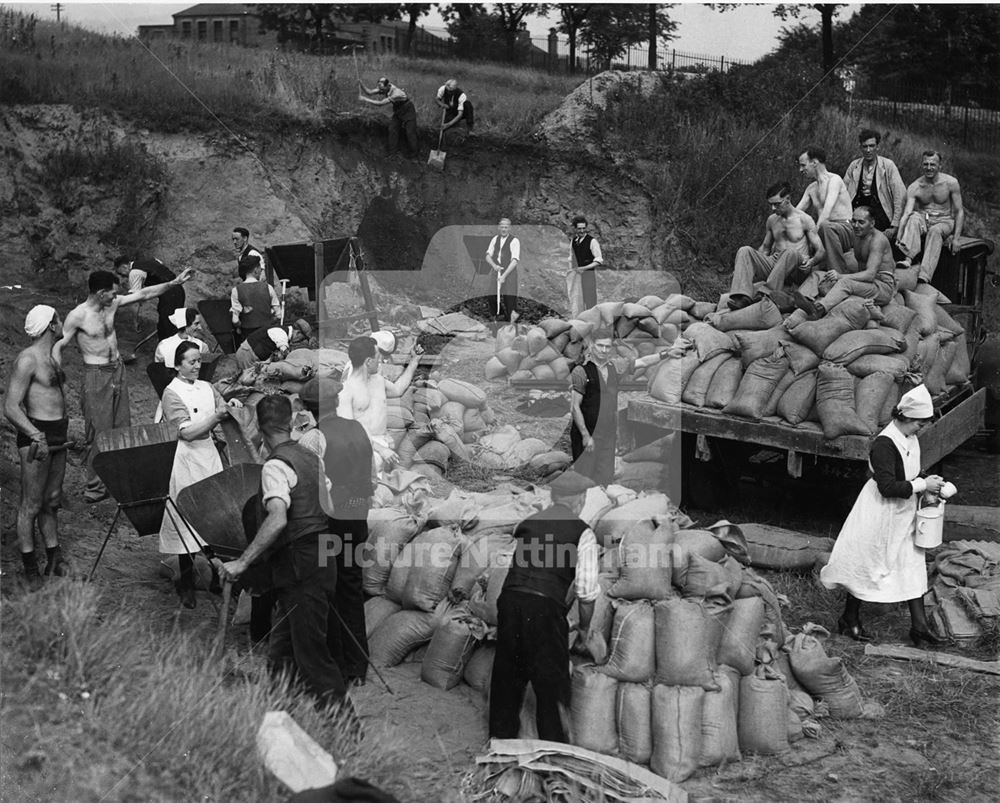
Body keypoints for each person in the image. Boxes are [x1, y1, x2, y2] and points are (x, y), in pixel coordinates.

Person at [219, 395, 353, 716]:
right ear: (291, 421)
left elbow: (277, 518)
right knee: (281, 647)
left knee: (312, 657)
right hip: (323, 558)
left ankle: (347, 732)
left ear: (260, 427)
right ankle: (278, 714)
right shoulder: (310, 457)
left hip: (302, 565)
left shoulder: (275, 466)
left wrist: (242, 562)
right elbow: (330, 508)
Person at [820, 385, 947, 646]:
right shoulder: (884, 444)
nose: (919, 429)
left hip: (904, 511)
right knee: (869, 564)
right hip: (881, 511)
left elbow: (910, 474)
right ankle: (849, 618)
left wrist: (927, 483)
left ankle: (919, 627)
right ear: (905, 418)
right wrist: (922, 486)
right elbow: (887, 487)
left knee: (912, 566)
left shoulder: (909, 438)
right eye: (918, 424)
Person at [54, 267, 193, 503]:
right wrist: (55, 370)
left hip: (117, 370)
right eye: (111, 293)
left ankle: (120, 481)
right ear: (100, 293)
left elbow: (144, 294)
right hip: (96, 375)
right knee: (98, 432)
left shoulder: (112, 304)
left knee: (122, 427)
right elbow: (60, 344)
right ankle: (95, 487)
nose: (115, 296)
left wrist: (174, 282)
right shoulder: (79, 315)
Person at [489, 469, 600, 743]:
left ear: (553, 497)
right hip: (543, 608)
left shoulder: (531, 523)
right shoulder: (582, 533)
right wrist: (584, 629)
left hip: (510, 601)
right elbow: (587, 592)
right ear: (580, 499)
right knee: (552, 683)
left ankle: (500, 744)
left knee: (507, 677)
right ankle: (553, 752)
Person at [299, 376, 375, 686]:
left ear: (307, 408)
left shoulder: (312, 439)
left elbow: (309, 488)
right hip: (358, 515)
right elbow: (370, 472)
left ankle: (338, 665)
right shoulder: (357, 428)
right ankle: (358, 666)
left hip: (331, 520)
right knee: (351, 588)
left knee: (326, 590)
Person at [158, 341, 243, 608]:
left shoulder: (207, 387)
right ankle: (185, 584)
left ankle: (217, 578)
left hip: (208, 455)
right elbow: (186, 432)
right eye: (191, 362)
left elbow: (220, 408)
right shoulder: (171, 393)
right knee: (186, 519)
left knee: (215, 517)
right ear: (177, 364)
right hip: (186, 457)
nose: (196, 366)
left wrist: (231, 405)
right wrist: (216, 417)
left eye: (198, 361)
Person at [4, 306, 70, 585]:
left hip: (57, 435)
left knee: (52, 500)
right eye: (58, 318)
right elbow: (10, 407)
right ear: (50, 325)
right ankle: (31, 569)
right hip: (37, 437)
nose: (62, 322)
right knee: (30, 504)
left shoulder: (51, 357)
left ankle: (53, 560)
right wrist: (35, 434)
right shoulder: (28, 360)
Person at [569, 330, 673, 485]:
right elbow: (575, 407)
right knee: (585, 476)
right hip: (588, 433)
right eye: (600, 346)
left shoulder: (614, 367)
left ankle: (601, 504)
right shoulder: (581, 371)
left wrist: (666, 354)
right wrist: (585, 435)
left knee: (604, 477)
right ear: (592, 345)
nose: (604, 350)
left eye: (607, 347)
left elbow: (642, 362)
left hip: (608, 432)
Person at [727, 181, 824, 311]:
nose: (773, 208)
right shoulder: (772, 220)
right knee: (745, 250)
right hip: (777, 262)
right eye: (771, 204)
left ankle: (766, 293)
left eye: (776, 204)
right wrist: (751, 263)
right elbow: (765, 247)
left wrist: (811, 262)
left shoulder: (804, 219)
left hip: (797, 265)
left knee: (790, 252)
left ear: (788, 199)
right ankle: (741, 297)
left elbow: (821, 251)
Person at [337, 335, 423, 474]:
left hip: (383, 442)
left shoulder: (378, 380)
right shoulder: (346, 391)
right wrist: (381, 449)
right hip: (364, 447)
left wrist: (414, 361)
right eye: (378, 357)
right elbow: (350, 433)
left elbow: (398, 390)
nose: (381, 361)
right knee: (373, 467)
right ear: (369, 361)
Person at [801, 207, 897, 318]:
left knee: (845, 282)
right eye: (854, 221)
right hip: (864, 284)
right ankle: (796, 301)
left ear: (872, 223)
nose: (856, 225)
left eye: (861, 222)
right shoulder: (857, 235)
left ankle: (819, 309)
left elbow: (870, 275)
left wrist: (840, 276)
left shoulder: (878, 240)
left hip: (881, 286)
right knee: (818, 275)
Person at [896, 151, 965, 284]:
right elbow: (906, 213)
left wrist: (956, 238)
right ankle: (908, 259)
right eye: (925, 164)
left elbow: (959, 211)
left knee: (935, 231)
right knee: (914, 217)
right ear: (922, 165)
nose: (929, 168)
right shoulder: (915, 186)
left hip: (944, 220)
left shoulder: (950, 183)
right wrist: (900, 233)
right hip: (924, 218)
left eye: (932, 164)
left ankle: (925, 274)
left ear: (940, 165)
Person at [796, 145, 856, 276]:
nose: (800, 170)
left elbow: (826, 213)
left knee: (824, 226)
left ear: (814, 162)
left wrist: (813, 234)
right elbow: (795, 213)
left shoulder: (834, 180)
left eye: (803, 165)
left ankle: (837, 274)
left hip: (844, 229)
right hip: (824, 231)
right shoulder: (811, 188)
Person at [843, 129, 907, 239]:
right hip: (856, 214)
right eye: (865, 146)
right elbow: (842, 193)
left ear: (878, 147)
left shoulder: (888, 166)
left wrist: (895, 225)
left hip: (880, 216)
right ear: (860, 147)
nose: (868, 150)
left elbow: (899, 196)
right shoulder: (854, 166)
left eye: (872, 146)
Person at [113, 255, 185, 339]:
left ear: (124, 267)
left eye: (121, 273)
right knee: (174, 322)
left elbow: (135, 300)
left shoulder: (134, 273)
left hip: (169, 294)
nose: (123, 276)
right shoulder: (152, 260)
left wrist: (135, 320)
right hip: (179, 290)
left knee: (167, 326)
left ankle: (168, 348)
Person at [358, 77, 419, 157]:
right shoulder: (383, 87)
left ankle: (414, 153)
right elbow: (369, 92)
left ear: (388, 86)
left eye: (382, 89)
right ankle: (392, 153)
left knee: (410, 132)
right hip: (398, 111)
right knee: (392, 129)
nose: (381, 91)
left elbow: (380, 104)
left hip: (408, 110)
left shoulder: (396, 94)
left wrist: (364, 99)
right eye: (380, 89)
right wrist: (360, 83)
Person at [230, 253, 279, 344]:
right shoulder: (268, 288)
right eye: (260, 268)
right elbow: (278, 315)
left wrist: (241, 326)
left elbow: (235, 320)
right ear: (256, 270)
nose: (261, 271)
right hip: (267, 336)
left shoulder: (236, 290)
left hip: (248, 338)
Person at [485, 218, 521, 322]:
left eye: (506, 227)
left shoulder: (515, 241)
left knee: (509, 300)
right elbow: (487, 256)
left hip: (509, 273)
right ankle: (500, 317)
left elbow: (514, 261)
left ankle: (513, 325)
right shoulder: (495, 239)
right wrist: (494, 265)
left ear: (509, 228)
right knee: (492, 296)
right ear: (498, 227)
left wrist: (504, 276)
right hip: (496, 271)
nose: (504, 229)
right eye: (502, 227)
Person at [569, 215, 604, 314]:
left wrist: (584, 268)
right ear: (575, 229)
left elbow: (598, 260)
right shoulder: (573, 241)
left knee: (590, 300)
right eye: (579, 228)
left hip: (588, 275)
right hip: (576, 276)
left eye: (584, 228)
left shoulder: (592, 241)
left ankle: (592, 323)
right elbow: (570, 258)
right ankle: (580, 324)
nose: (582, 231)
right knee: (578, 300)